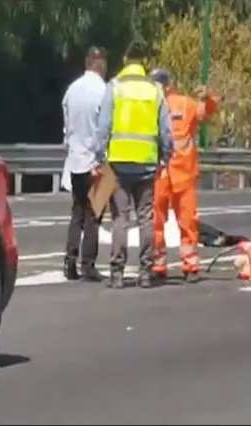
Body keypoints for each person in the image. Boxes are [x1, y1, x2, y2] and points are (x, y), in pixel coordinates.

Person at [94, 41, 173, 289]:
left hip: (118, 163)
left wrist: (99, 156)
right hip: (147, 163)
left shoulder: (114, 87)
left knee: (120, 218)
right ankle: (146, 272)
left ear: (126, 59)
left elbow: (103, 125)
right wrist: (165, 156)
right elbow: (166, 131)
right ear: (143, 62)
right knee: (146, 218)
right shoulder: (155, 90)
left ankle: (117, 272)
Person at [149, 68, 220, 283]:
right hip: (164, 172)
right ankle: (160, 265)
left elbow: (205, 112)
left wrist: (209, 97)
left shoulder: (183, 103)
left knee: (185, 221)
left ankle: (187, 265)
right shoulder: (151, 105)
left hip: (178, 172)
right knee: (157, 221)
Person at [61, 46, 108, 282]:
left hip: (75, 161)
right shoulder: (103, 91)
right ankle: (88, 264)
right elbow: (104, 130)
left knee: (77, 212)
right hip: (93, 162)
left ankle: (69, 262)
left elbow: (66, 128)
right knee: (93, 214)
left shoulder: (72, 90)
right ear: (100, 64)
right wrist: (102, 160)